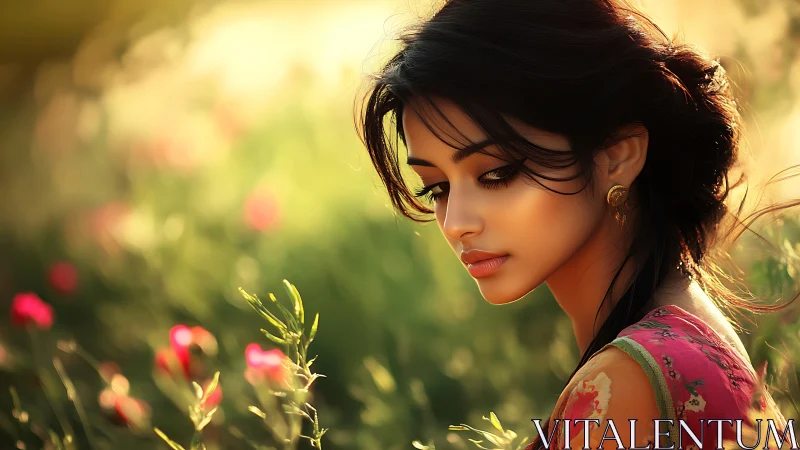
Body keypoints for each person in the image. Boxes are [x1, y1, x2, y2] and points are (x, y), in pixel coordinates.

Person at [356, 0, 799, 448]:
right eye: (437, 188)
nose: (455, 224)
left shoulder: (629, 381)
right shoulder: (683, 335)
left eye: (496, 173)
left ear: (618, 156)